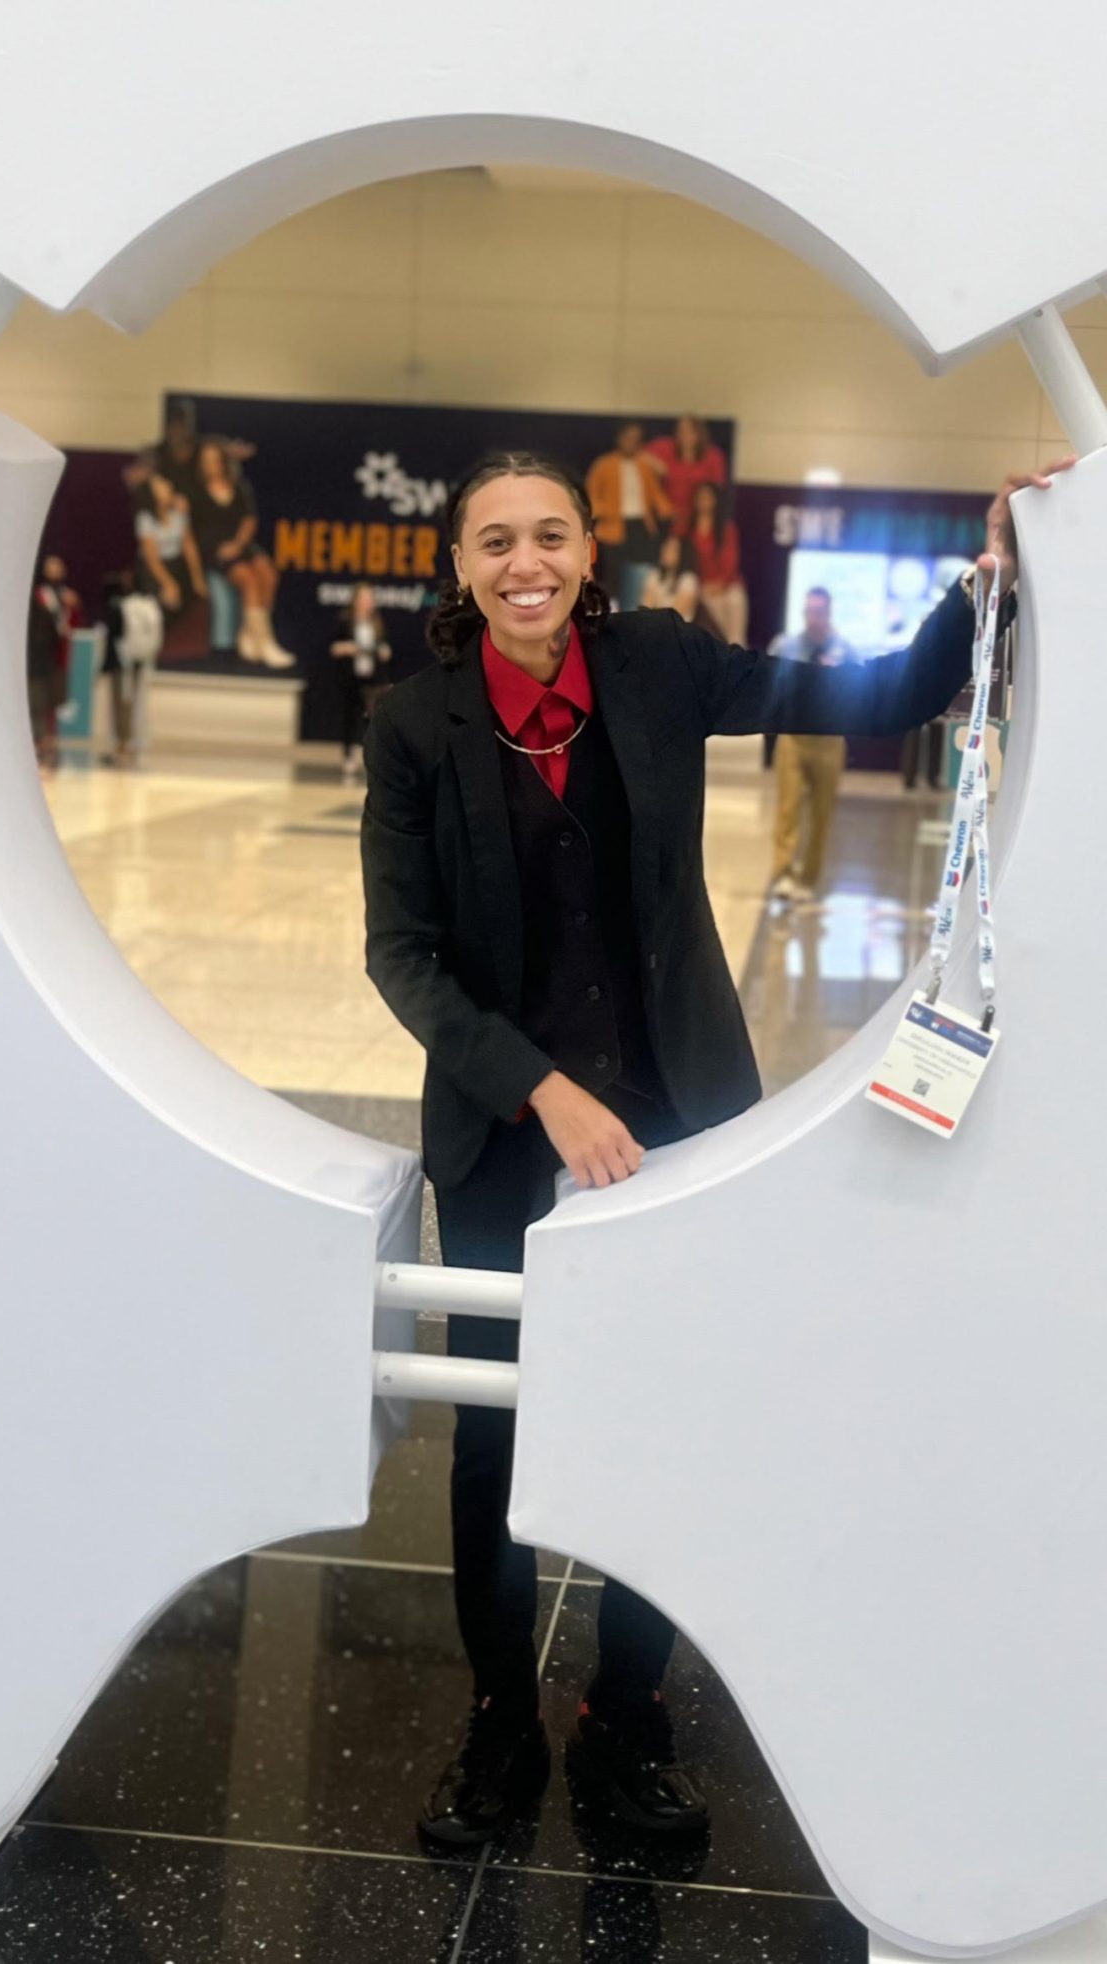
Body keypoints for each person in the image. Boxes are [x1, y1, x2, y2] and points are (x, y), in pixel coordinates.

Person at [360, 446, 1071, 1853]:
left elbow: (880, 692)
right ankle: (503, 1717)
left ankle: (626, 1718)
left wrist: (1001, 568)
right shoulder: (412, 724)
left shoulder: (661, 667)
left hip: (679, 1117)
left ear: (587, 550)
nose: (526, 565)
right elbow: (404, 956)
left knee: (666, 1425)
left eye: (550, 535)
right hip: (506, 1144)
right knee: (494, 1441)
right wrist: (538, 1090)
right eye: (494, 541)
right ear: (457, 566)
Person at [766, 587, 857, 903]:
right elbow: (766, 682)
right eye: (809, 611)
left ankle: (809, 878)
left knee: (821, 813)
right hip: (794, 737)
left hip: (829, 741)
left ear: (829, 612)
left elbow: (861, 692)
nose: (813, 618)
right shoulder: (787, 646)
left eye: (819, 611)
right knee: (787, 808)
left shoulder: (845, 650)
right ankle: (782, 874)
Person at [192, 438, 294, 669]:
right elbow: (192, 532)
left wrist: (239, 543)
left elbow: (249, 519)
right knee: (248, 578)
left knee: (267, 573)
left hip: (240, 543)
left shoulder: (238, 486)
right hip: (214, 549)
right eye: (206, 462)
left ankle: (252, 635)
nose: (211, 466)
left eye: (215, 461)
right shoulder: (195, 492)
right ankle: (265, 644)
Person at [585, 422, 670, 611]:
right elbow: (591, 495)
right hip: (612, 526)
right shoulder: (604, 464)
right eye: (628, 437)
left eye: (636, 439)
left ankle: (635, 611)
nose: (632, 442)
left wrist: (667, 511)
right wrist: (607, 510)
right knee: (613, 575)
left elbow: (656, 491)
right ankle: (612, 611)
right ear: (619, 438)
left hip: (641, 525)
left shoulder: (644, 464)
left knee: (640, 574)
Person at [330, 583, 393, 784]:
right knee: (350, 715)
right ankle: (349, 756)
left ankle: (371, 756)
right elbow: (334, 647)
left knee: (372, 718)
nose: (367, 602)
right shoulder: (346, 621)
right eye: (363, 598)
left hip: (372, 677)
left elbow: (384, 648)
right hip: (351, 675)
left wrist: (382, 651)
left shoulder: (376, 623)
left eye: (370, 598)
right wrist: (349, 648)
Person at [100, 566, 162, 768]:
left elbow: (114, 636)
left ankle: (123, 746)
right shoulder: (150, 606)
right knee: (134, 704)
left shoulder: (123, 606)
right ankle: (130, 745)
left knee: (122, 704)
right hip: (140, 661)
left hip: (123, 661)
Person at [134, 471, 205, 622]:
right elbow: (151, 559)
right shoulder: (145, 518)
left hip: (177, 563)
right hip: (154, 568)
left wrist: (197, 578)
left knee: (185, 606)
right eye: (160, 486)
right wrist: (169, 583)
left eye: (165, 483)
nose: (168, 487)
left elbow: (189, 546)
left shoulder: (179, 511)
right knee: (165, 602)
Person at [686, 481, 749, 647]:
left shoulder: (726, 528)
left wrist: (722, 583)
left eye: (708, 498)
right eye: (701, 498)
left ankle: (742, 657)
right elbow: (687, 562)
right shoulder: (689, 530)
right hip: (704, 587)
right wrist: (703, 586)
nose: (704, 502)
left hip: (729, 584)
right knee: (722, 631)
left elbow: (731, 558)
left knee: (735, 605)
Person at [644, 414, 727, 532]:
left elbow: (716, 493)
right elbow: (637, 454)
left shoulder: (713, 456)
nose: (685, 435)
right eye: (681, 430)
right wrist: (657, 466)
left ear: (700, 434)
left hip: (697, 519)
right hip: (667, 517)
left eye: (690, 431)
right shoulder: (664, 447)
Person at [26, 575, 65, 775]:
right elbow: (56, 641)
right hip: (42, 672)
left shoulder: (24, 618)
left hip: (30, 672)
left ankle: (38, 749)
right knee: (39, 712)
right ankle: (39, 748)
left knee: (34, 712)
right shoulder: (45, 614)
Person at [637, 533, 701, 620]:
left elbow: (674, 616)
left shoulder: (689, 580)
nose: (664, 550)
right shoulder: (654, 574)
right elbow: (644, 608)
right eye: (665, 546)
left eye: (671, 549)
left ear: (681, 555)